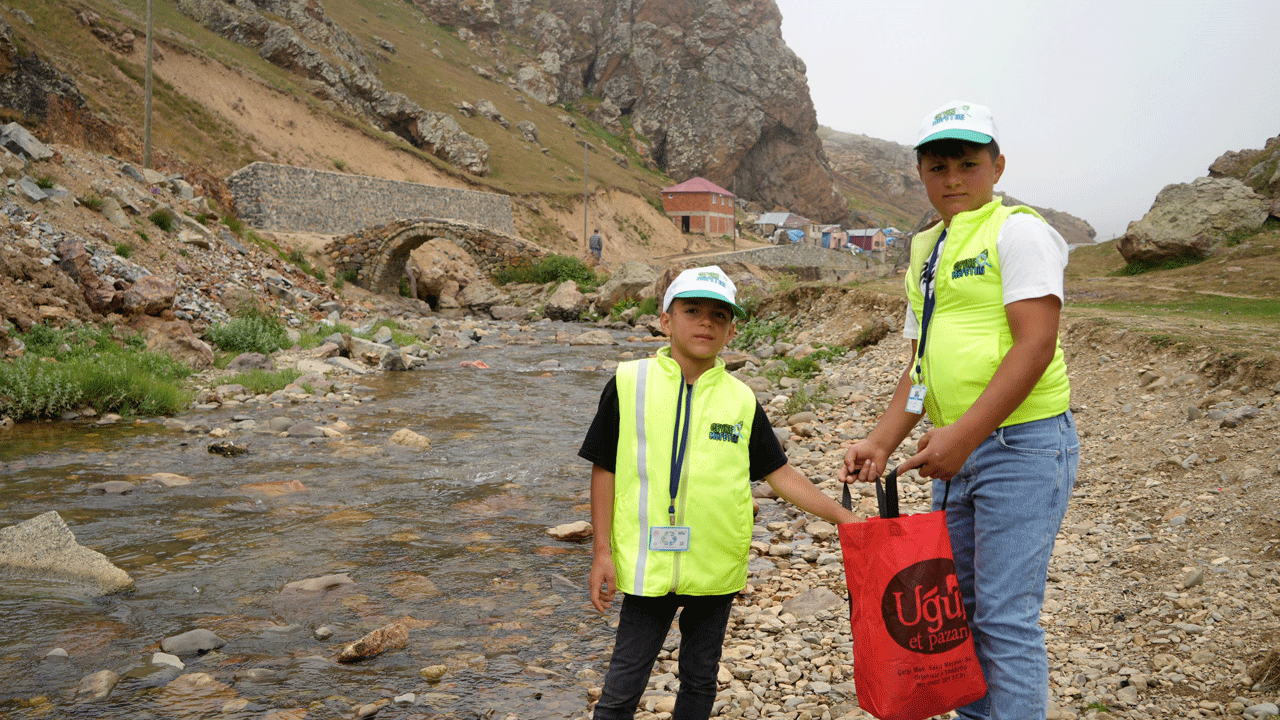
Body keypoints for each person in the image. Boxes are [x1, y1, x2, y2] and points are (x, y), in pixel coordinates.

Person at [838, 101, 1079, 720]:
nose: (953, 178)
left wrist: (964, 439)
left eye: (968, 164)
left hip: (1020, 448)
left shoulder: (1018, 231)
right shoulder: (926, 250)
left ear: (996, 167)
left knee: (1004, 617)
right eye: (938, 166)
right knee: (957, 612)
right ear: (921, 174)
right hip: (957, 453)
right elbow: (919, 371)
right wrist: (883, 440)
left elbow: (1035, 345)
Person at [580, 265, 857, 720]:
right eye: (692, 310)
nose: (705, 322)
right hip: (647, 566)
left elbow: (779, 473)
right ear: (666, 320)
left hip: (714, 564)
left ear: (731, 329)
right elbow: (604, 468)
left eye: (718, 315)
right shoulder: (630, 384)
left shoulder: (741, 400)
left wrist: (843, 517)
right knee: (621, 688)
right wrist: (601, 552)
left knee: (700, 678)